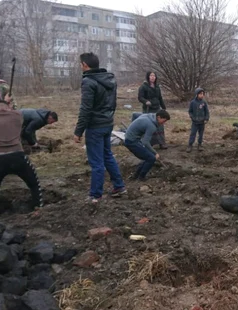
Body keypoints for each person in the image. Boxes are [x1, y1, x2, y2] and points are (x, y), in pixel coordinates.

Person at [73, 52, 126, 203]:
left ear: (85, 65)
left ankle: (95, 195)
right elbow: (113, 103)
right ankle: (119, 186)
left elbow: (85, 109)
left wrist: (78, 131)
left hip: (95, 126)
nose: (80, 67)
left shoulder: (89, 82)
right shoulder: (109, 79)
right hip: (107, 123)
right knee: (107, 155)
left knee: (97, 162)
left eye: (80, 64)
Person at [0, 101, 42, 219]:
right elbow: (14, 111)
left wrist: (1, 108)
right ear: (9, 108)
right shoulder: (17, 116)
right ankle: (38, 209)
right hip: (17, 157)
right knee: (34, 184)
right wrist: (9, 104)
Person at [124, 110, 170, 180]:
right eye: (164, 121)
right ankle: (141, 177)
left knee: (148, 156)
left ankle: (136, 176)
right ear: (158, 117)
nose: (164, 123)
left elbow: (135, 115)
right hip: (131, 142)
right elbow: (145, 142)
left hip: (132, 138)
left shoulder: (149, 116)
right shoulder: (151, 125)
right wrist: (155, 153)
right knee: (151, 158)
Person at [137, 71, 167, 149]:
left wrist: (163, 107)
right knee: (149, 126)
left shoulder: (157, 87)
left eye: (154, 75)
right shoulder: (143, 86)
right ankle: (149, 144)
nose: (153, 77)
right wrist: (145, 101)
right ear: (148, 77)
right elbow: (140, 97)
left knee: (160, 125)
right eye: (151, 75)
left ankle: (161, 143)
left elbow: (160, 98)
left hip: (157, 108)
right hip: (148, 109)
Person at [187, 88, 209, 152]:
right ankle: (190, 145)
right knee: (193, 133)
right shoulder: (193, 102)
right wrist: (192, 117)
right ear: (197, 94)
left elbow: (207, 112)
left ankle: (200, 144)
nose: (202, 95)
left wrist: (206, 118)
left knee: (201, 134)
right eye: (200, 94)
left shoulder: (204, 102)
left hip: (202, 122)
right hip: (195, 122)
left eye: (203, 94)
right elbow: (190, 111)